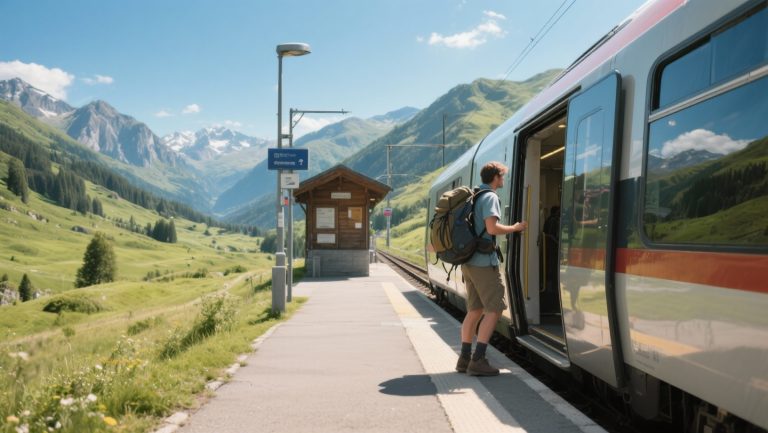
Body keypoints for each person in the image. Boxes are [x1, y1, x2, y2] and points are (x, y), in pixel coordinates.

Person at [456, 161, 527, 376]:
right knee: (495, 309)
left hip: (469, 262)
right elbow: (492, 228)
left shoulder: (475, 195)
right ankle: (478, 360)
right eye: (502, 176)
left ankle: (464, 359)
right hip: (483, 263)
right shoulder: (490, 197)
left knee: (475, 310)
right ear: (495, 176)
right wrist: (515, 228)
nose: (503, 180)